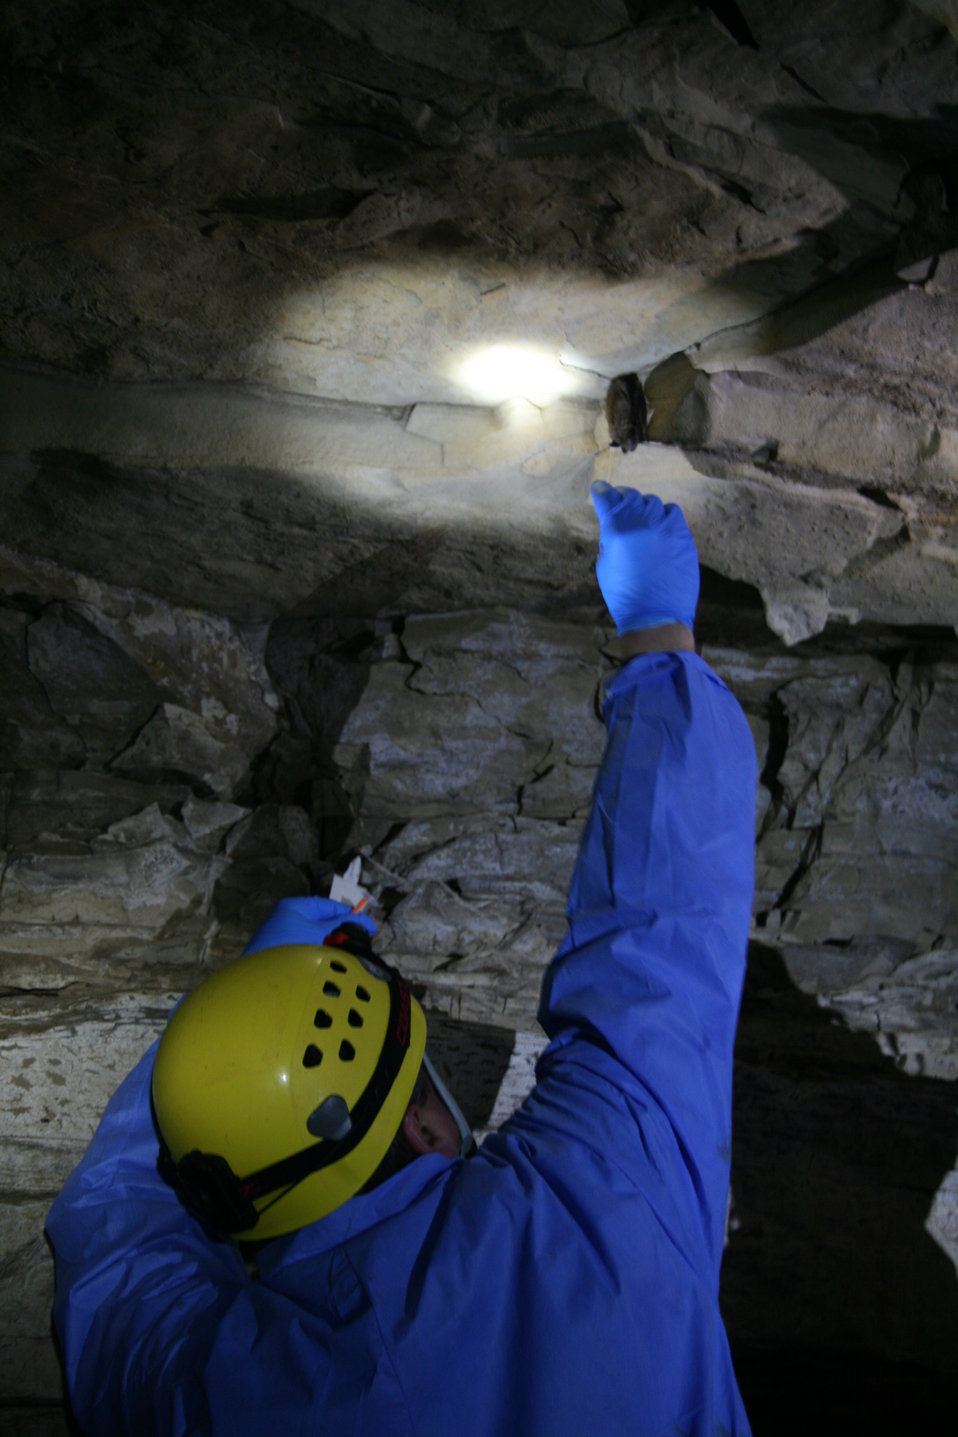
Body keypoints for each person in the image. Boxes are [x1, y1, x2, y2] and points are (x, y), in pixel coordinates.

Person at [47, 483, 757, 1436]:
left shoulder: (219, 1400)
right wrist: (659, 638)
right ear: (423, 1127)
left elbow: (115, 1239)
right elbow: (663, 946)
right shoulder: (599, 1202)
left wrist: (248, 1005)